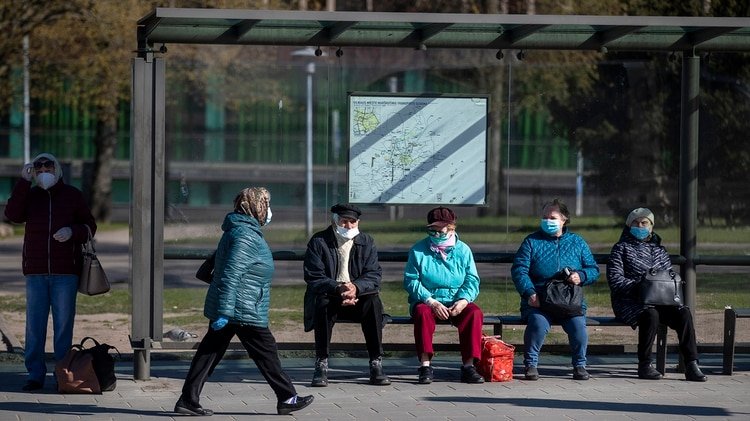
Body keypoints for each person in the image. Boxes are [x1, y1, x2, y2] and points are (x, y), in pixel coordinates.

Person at [174, 187, 314, 416]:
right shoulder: (246, 235)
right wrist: (225, 312)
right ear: (257, 206)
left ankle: (188, 400)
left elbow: (222, 267)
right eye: (266, 205)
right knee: (265, 352)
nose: (269, 210)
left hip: (238, 306)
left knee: (209, 354)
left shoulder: (239, 230)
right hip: (243, 308)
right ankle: (287, 397)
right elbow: (231, 274)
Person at [4, 153, 97, 392]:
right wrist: (23, 182)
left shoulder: (72, 195)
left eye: (48, 165)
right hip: (35, 271)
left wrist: (72, 231)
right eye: (38, 166)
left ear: (58, 169)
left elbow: (90, 226)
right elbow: (12, 215)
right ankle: (35, 374)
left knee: (63, 325)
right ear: (33, 171)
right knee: (34, 325)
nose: (44, 169)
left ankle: (62, 373)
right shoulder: (30, 195)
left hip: (65, 271)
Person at [606, 207, 707, 381]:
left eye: (644, 223)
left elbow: (668, 275)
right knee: (650, 314)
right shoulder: (620, 248)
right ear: (629, 226)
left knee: (684, 313)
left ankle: (691, 363)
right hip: (630, 301)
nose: (640, 226)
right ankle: (645, 365)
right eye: (636, 223)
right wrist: (641, 286)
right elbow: (615, 280)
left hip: (661, 299)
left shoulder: (660, 250)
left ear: (651, 226)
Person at [511, 198, 599, 381]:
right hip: (540, 300)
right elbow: (519, 270)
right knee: (537, 324)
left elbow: (593, 269)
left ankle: (580, 365)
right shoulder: (531, 242)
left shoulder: (577, 242)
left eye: (552, 217)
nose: (547, 221)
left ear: (564, 219)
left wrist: (581, 276)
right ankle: (531, 365)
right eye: (544, 217)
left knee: (578, 328)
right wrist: (529, 292)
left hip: (570, 301)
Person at [303, 203, 390, 387]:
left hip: (358, 296)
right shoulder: (319, 241)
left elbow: (374, 274)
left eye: (353, 222)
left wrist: (356, 288)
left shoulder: (367, 241)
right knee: (322, 304)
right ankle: (322, 362)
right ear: (335, 221)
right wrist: (339, 288)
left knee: (373, 302)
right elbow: (314, 276)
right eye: (344, 221)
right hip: (332, 294)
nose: (349, 226)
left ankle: (376, 362)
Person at [403, 206, 485, 384]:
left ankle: (469, 366)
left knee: (474, 313)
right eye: (433, 229)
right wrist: (431, 302)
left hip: (456, 299)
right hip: (428, 299)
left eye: (441, 229)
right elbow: (411, 280)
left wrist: (463, 300)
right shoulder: (418, 250)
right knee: (422, 313)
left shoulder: (463, 250)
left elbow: (472, 279)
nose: (436, 233)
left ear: (451, 228)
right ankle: (425, 365)